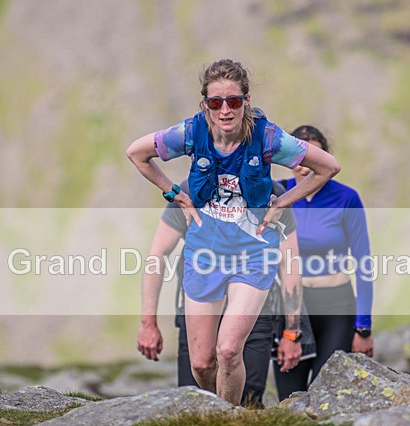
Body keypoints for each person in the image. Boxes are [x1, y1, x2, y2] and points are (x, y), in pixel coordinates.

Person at [126, 59, 340, 405]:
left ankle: (228, 417)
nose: (225, 109)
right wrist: (172, 192)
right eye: (216, 102)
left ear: (246, 100)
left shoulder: (267, 137)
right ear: (206, 104)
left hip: (253, 252)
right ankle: (210, 411)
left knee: (227, 350)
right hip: (205, 252)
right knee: (202, 361)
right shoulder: (191, 133)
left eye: (234, 101)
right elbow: (137, 153)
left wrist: (283, 201)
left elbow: (327, 167)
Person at [136, 180, 302, 407]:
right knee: (194, 395)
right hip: (198, 307)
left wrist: (291, 331)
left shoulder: (273, 193)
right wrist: (148, 323)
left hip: (254, 314)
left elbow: (289, 263)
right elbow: (157, 255)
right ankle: (220, 421)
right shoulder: (192, 189)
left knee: (249, 400)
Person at [273, 125, 374, 401]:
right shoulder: (277, 194)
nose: (305, 168)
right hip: (292, 309)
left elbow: (363, 263)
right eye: (298, 159)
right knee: (289, 397)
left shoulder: (346, 198)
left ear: (325, 159)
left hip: (336, 307)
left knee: (326, 394)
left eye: (313, 158)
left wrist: (363, 327)